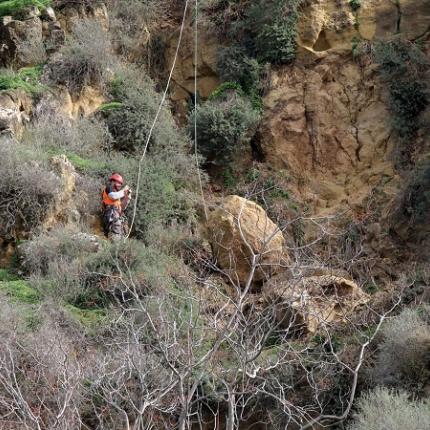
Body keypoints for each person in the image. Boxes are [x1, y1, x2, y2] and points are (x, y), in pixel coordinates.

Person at [101, 173, 131, 240]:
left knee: (123, 230)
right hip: (110, 215)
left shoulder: (117, 194)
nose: (120, 186)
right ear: (114, 181)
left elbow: (122, 206)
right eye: (119, 183)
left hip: (116, 216)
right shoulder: (109, 188)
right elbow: (113, 196)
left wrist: (127, 197)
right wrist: (124, 192)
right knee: (115, 234)